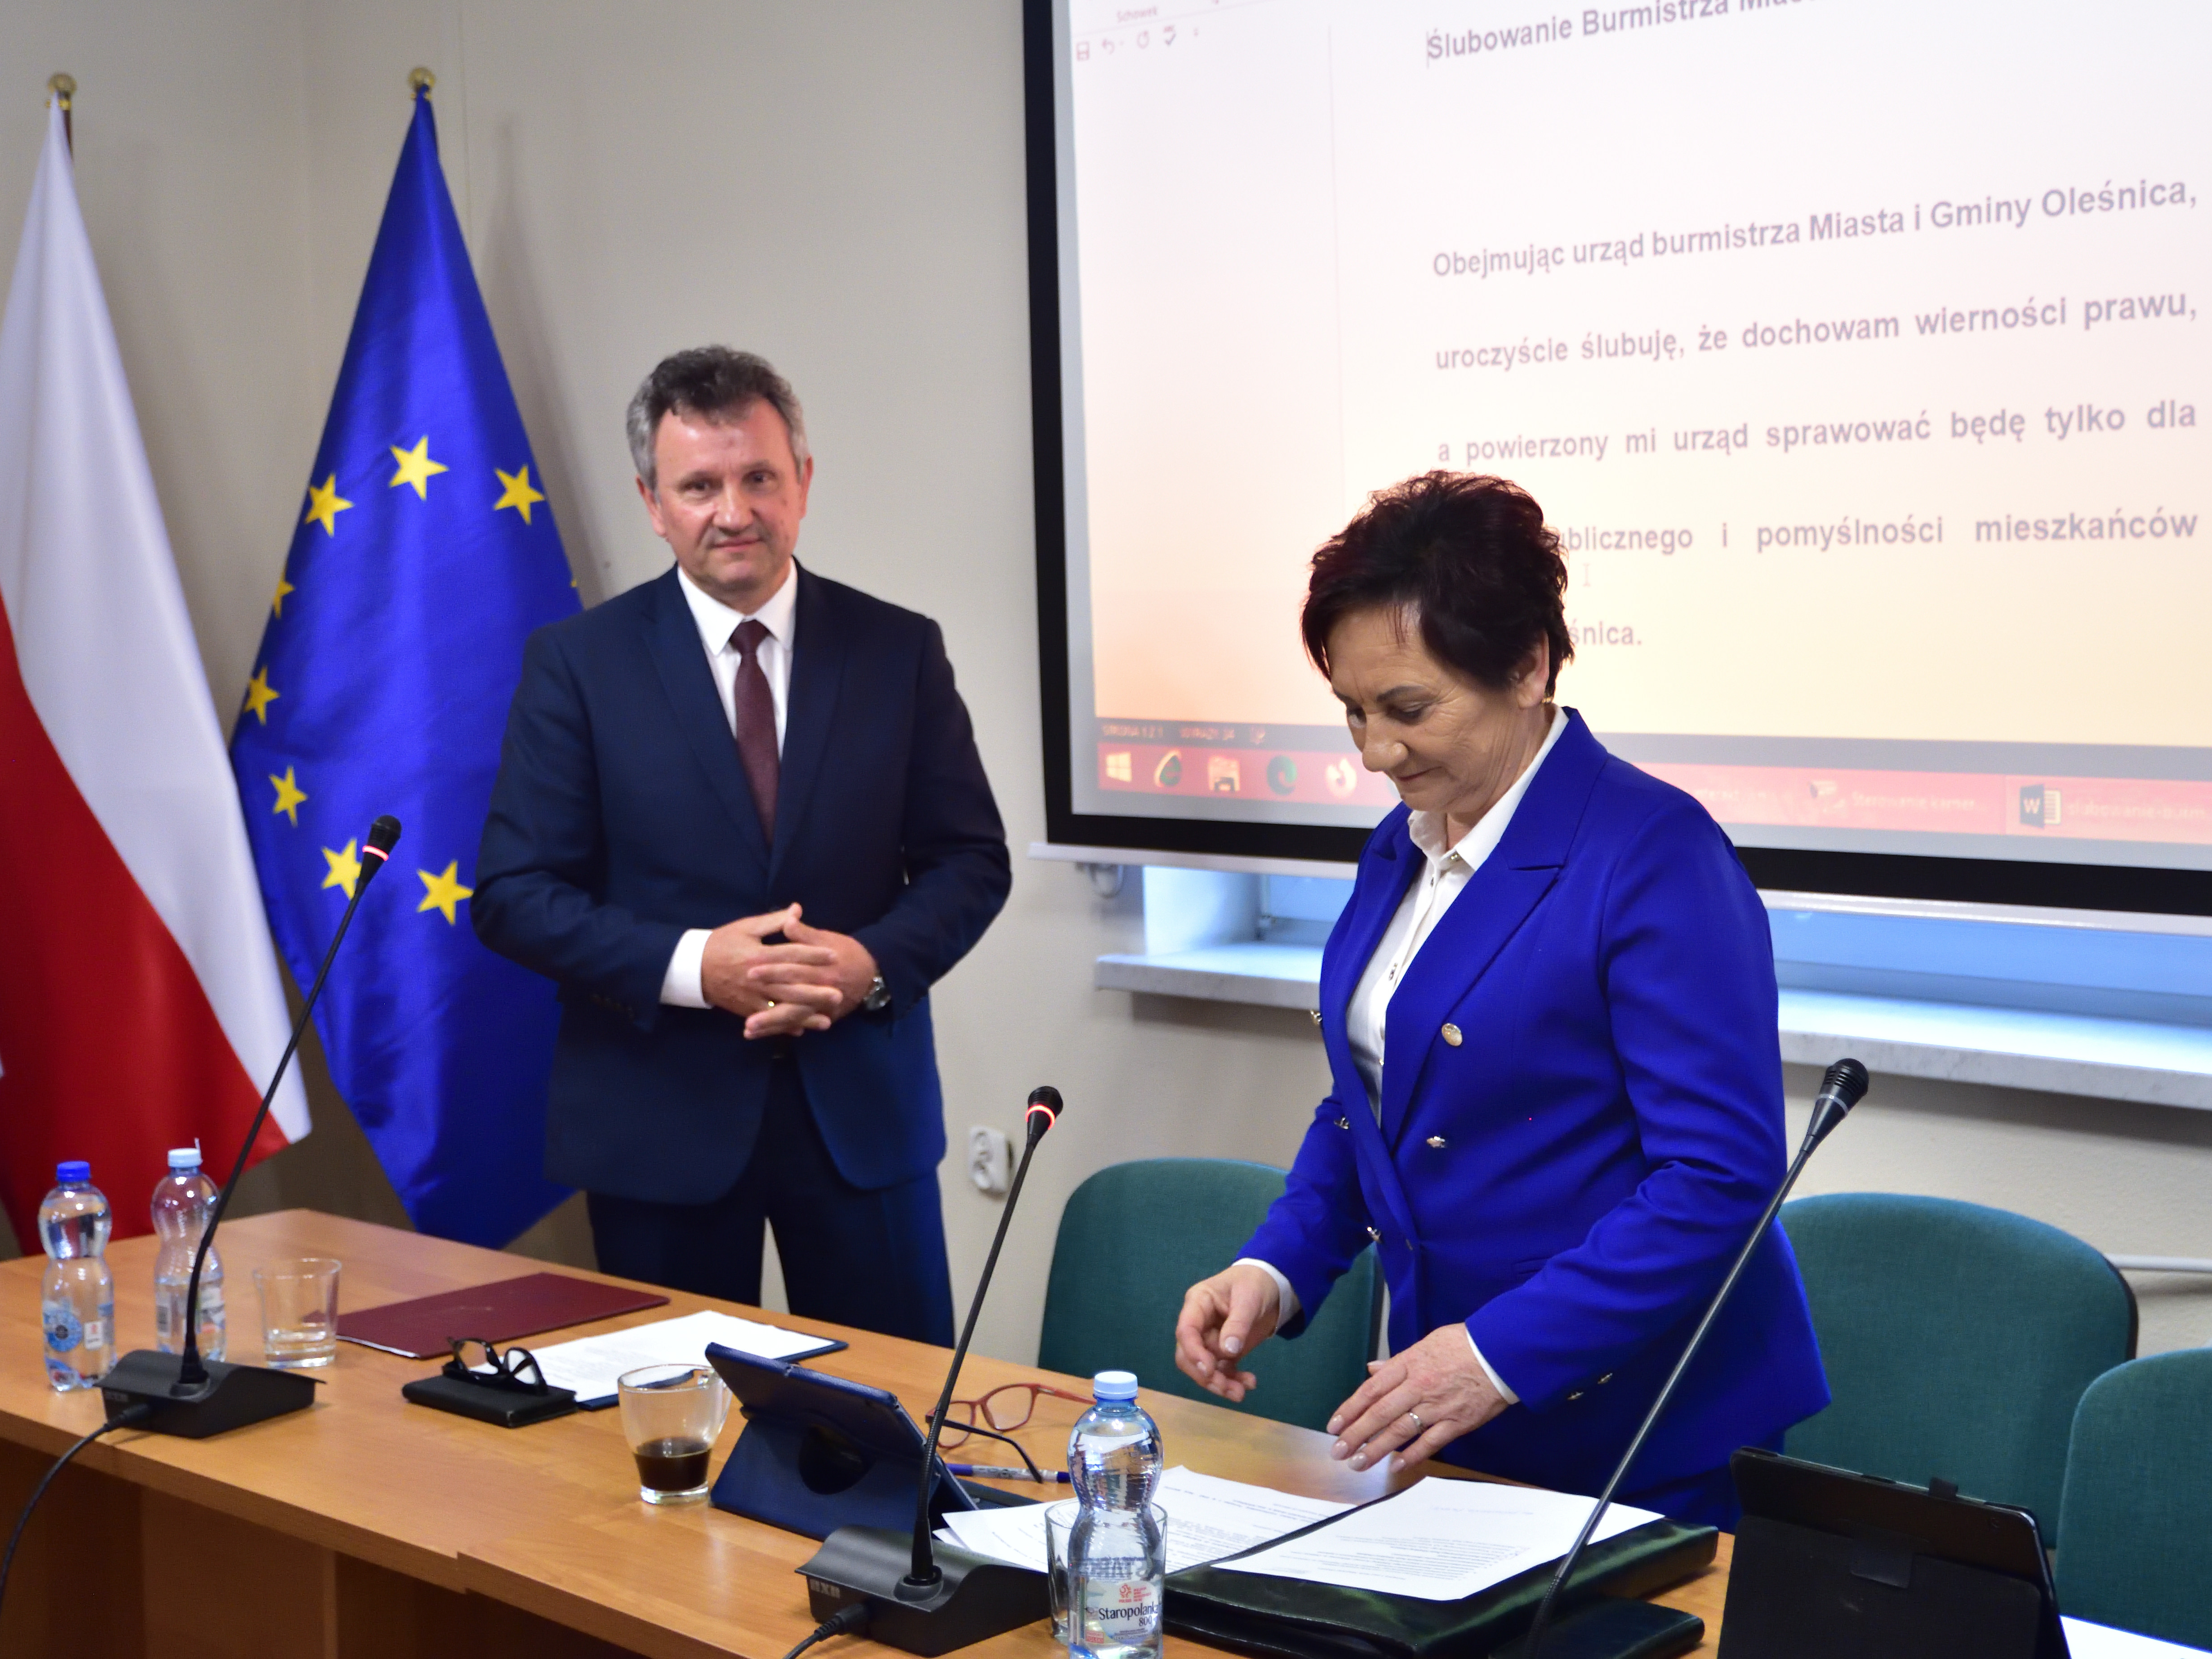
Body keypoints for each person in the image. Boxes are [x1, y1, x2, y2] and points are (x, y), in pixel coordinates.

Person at [1171, 472, 1826, 1526]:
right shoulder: (1405, 844)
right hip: (1460, 1411)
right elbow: (1374, 1099)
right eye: (1353, 714)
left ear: (1527, 665)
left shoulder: (1653, 854)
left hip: (1643, 1428)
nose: (1375, 752)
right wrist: (1278, 1265)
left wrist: (1493, 1354)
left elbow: (1718, 1176)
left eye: (1408, 709)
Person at [473, 347, 1009, 1344]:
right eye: (699, 486)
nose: (734, 512)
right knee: (670, 1424)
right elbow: (514, 891)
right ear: (652, 502)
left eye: (759, 476)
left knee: (890, 1413)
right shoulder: (578, 665)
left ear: (802, 480)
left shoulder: (897, 650)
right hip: (656, 1123)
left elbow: (970, 860)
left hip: (860, 1119)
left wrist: (868, 964)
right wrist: (694, 968)